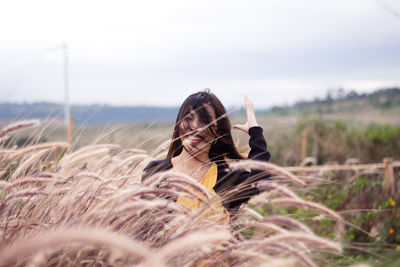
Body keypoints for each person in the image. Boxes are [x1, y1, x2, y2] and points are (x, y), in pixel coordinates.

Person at [142, 89, 271, 219]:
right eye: (188, 118)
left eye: (205, 121)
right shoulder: (157, 172)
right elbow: (143, 226)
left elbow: (261, 183)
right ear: (179, 124)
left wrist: (255, 132)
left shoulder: (228, 177)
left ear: (218, 131)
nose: (194, 127)